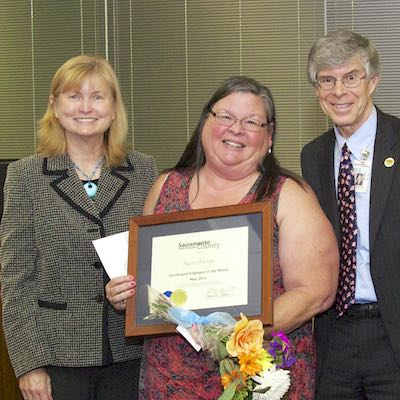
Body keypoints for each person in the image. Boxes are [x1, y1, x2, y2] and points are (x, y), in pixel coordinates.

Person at [106, 76, 339, 399]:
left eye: (252, 122)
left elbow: (315, 293)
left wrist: (235, 335)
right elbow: (147, 284)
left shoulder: (288, 195)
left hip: (256, 376)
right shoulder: (165, 187)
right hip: (171, 378)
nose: (236, 129)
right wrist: (126, 294)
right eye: (226, 117)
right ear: (205, 122)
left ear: (269, 136)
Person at [0, 55, 157, 400]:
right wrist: (29, 364)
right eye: (74, 96)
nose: (86, 107)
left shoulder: (144, 170)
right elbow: (16, 280)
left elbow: (156, 258)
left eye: (98, 97)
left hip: (130, 354)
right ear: (54, 107)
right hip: (57, 357)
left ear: (114, 108)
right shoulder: (25, 176)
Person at [301, 30, 400, 399]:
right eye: (327, 80)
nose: (338, 91)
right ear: (316, 90)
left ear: (373, 80)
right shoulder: (312, 156)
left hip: (393, 331)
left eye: (350, 77)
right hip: (335, 332)